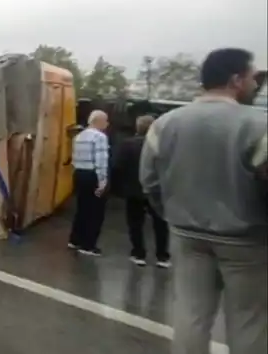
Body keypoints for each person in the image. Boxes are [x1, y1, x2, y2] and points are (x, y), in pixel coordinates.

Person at [139, 48, 267, 354]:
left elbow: (149, 182)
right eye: (251, 77)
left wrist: (172, 214)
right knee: (249, 319)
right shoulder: (258, 125)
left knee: (190, 315)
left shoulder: (164, 124)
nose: (254, 84)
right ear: (236, 79)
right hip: (247, 240)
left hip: (186, 235)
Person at [112, 115, 170, 268]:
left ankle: (138, 253)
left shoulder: (127, 144)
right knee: (160, 224)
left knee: (135, 223)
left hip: (133, 190)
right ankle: (162, 256)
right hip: (156, 190)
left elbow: (118, 166)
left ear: (137, 127)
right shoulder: (162, 145)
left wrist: (119, 187)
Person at [68, 109, 110, 256]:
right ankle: (88, 245)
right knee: (95, 212)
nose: (107, 124)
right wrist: (102, 181)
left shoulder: (79, 136)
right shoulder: (99, 137)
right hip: (92, 175)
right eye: (106, 121)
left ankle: (75, 239)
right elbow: (101, 160)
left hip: (79, 173)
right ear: (98, 121)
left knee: (82, 208)